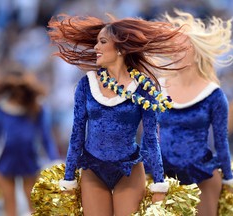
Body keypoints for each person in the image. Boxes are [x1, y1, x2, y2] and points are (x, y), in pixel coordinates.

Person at [47, 14, 188, 215]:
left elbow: (151, 138)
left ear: (120, 49)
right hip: (93, 168)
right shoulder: (87, 84)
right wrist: (68, 179)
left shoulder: (143, 88)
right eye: (96, 42)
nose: (96, 47)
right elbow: (76, 134)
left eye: (102, 42)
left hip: (129, 169)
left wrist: (159, 183)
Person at [152, 10, 233, 216]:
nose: (175, 51)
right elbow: (151, 136)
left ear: (196, 52)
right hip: (164, 177)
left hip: (202, 175)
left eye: (182, 47)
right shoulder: (158, 88)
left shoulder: (213, 94)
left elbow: (221, 141)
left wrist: (228, 177)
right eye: (173, 46)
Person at [0, 70, 60, 216]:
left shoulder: (36, 109)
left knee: (34, 206)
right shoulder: (2, 109)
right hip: (6, 161)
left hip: (29, 160)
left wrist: (54, 160)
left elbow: (45, 138)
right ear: (9, 89)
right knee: (10, 207)